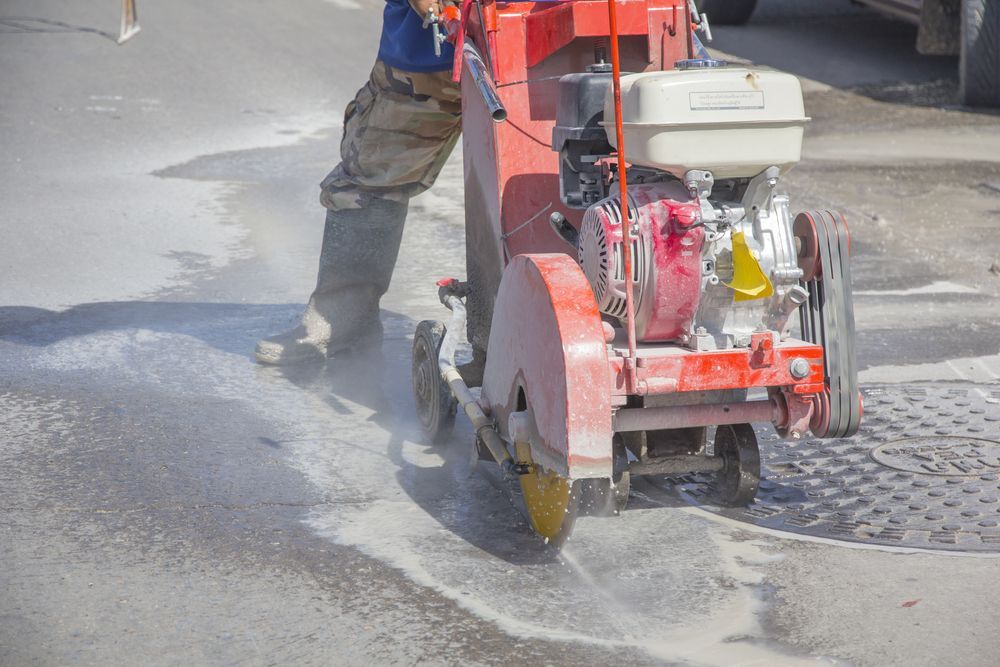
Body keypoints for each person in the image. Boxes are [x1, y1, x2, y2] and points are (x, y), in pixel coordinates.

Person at [255, 0, 461, 365]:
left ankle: (548, 331)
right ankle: (342, 319)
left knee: (560, 177)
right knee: (371, 175)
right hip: (428, 51)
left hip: (555, 40)